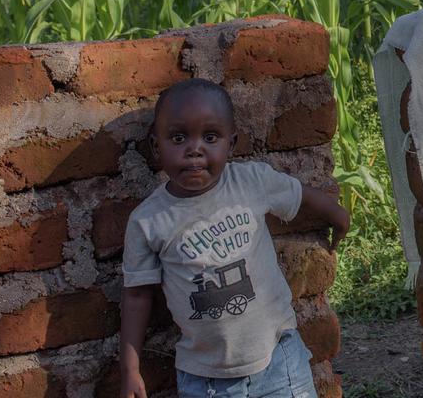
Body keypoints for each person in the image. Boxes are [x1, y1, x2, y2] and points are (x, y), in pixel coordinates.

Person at [118, 79, 350, 398]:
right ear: (157, 147)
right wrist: (130, 369)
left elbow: (298, 194)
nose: (195, 149)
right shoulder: (148, 221)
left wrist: (338, 215)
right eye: (178, 138)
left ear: (232, 143)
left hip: (279, 361)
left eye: (210, 137)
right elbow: (136, 296)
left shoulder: (250, 182)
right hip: (205, 380)